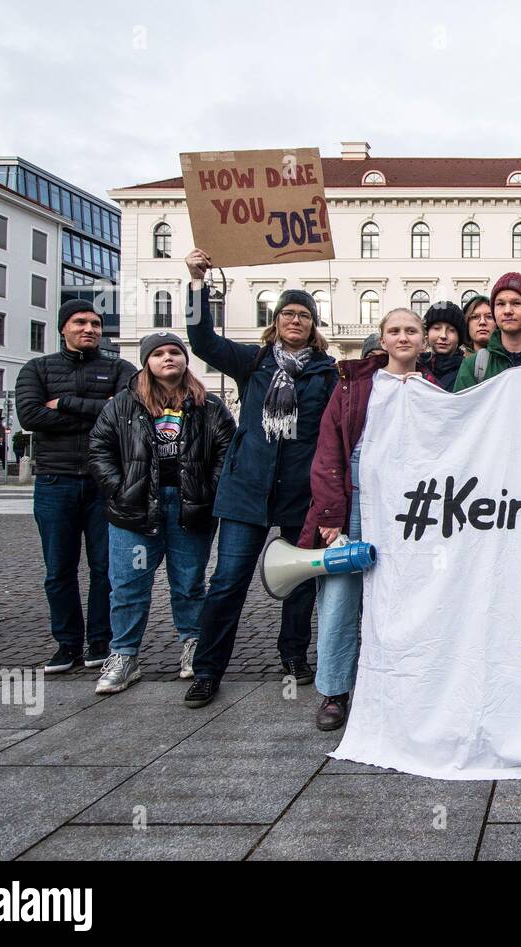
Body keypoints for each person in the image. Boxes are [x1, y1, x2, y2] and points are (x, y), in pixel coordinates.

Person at [182, 248, 338, 708]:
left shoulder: (326, 373)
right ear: (276, 321)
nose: (296, 320)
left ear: (313, 324)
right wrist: (196, 285)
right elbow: (203, 342)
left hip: (300, 494)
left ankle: (293, 656)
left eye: (304, 315)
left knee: (300, 581)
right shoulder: (253, 362)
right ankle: (209, 670)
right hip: (246, 490)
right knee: (228, 581)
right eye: (288, 313)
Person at [87, 331, 235, 693]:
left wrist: (208, 489)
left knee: (188, 584)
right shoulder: (123, 404)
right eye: (158, 354)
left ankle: (193, 646)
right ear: (146, 362)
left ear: (185, 359)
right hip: (134, 511)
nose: (168, 358)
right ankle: (124, 655)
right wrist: (121, 490)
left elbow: (227, 452)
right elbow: (99, 449)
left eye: (175, 352)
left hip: (190, 507)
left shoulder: (208, 406)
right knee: (128, 585)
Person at [300, 308, 426, 731]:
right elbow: (329, 449)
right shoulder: (355, 386)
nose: (403, 337)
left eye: (412, 330)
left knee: (405, 593)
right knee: (340, 593)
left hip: (409, 504)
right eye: (395, 330)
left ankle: (400, 684)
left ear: (423, 341)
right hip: (355, 498)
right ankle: (334, 691)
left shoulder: (434, 388)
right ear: (383, 340)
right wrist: (331, 511)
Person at [16, 300, 137, 673]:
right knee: (59, 569)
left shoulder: (120, 368)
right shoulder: (36, 368)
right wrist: (97, 411)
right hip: (55, 480)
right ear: (63, 328)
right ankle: (67, 643)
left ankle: (100, 640)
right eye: (80, 322)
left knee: (106, 568)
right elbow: (31, 416)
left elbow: (127, 411)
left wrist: (65, 404)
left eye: (96, 323)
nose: (90, 329)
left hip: (105, 483)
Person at [453, 273, 521, 391]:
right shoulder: (473, 366)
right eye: (500, 304)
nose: (507, 311)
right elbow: (462, 408)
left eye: (516, 303)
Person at [418, 301, 466, 391]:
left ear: (459, 337)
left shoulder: (468, 369)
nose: (443, 335)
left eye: (451, 330)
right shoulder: (416, 366)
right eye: (436, 328)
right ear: (426, 333)